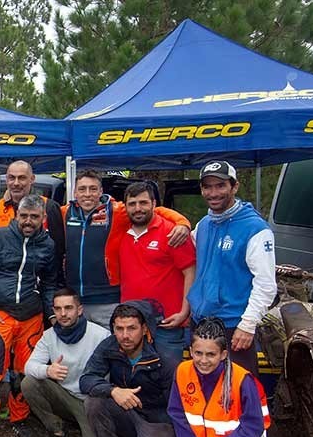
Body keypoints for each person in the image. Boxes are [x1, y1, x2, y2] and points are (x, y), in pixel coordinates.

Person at [0, 195, 58, 437]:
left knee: (25, 373)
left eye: (34, 217)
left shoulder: (48, 245)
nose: (28, 221)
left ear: (43, 219)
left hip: (31, 315)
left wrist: (50, 313)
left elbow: (50, 282)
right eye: (24, 216)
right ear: (17, 215)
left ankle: (19, 419)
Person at [62, 170, 190, 327]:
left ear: (101, 191)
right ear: (74, 192)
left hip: (108, 300)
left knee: (111, 349)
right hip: (76, 299)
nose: (87, 194)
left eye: (93, 189)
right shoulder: (65, 213)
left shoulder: (117, 211)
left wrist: (182, 222)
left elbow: (152, 211)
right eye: (82, 189)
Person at [187, 161, 276, 378]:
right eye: (207, 187)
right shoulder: (204, 225)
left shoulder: (255, 229)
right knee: (205, 389)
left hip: (234, 327)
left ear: (234, 187)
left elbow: (266, 284)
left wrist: (248, 325)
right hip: (202, 324)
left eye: (220, 185)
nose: (213, 192)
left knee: (241, 390)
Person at [81, 302, 176, 437]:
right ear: (113, 329)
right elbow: (86, 379)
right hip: (125, 412)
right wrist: (114, 390)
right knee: (94, 401)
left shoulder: (164, 358)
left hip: (155, 420)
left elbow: (176, 404)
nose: (125, 335)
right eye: (119, 329)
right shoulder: (108, 346)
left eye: (132, 328)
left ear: (144, 329)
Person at [21, 287, 110, 437]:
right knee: (29, 383)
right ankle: (57, 431)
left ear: (79, 309)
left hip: (91, 402)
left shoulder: (101, 335)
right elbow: (28, 366)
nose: (63, 314)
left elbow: (108, 379)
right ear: (53, 311)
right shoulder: (49, 336)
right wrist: (48, 371)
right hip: (64, 397)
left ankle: (86, 426)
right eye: (58, 309)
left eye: (68, 308)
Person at [119, 181, 196, 372]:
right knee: (136, 377)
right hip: (133, 324)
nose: (138, 209)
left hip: (167, 324)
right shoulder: (120, 230)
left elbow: (191, 272)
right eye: (132, 204)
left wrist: (184, 312)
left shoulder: (173, 232)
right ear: (125, 206)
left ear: (154, 204)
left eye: (143, 203)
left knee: (169, 378)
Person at [0, 160, 64, 253]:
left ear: (32, 179)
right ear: (6, 179)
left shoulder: (48, 206)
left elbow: (58, 249)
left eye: (22, 178)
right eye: (12, 178)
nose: (16, 183)